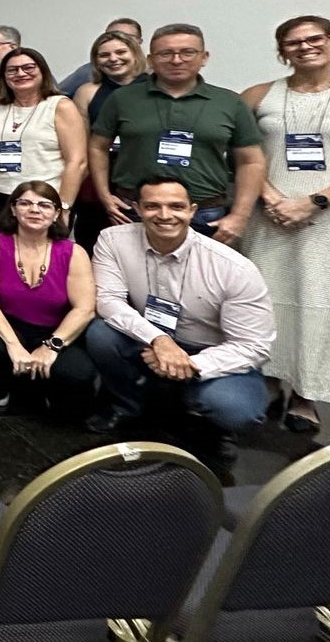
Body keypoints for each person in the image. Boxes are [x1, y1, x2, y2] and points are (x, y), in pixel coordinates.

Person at [84, 177, 273, 460]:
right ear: (137, 208)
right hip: (149, 340)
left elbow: (254, 346)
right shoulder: (113, 240)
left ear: (192, 210)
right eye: (152, 206)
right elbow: (108, 300)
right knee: (101, 335)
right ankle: (126, 406)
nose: (164, 215)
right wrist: (158, 339)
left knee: (234, 408)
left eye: (176, 206)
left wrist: (190, 364)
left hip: (212, 352)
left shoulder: (233, 268)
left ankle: (207, 420)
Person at [240, 15, 330, 426]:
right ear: (282, 52)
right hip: (269, 217)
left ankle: (305, 393)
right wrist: (272, 197)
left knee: (319, 306)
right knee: (264, 302)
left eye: (315, 39)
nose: (305, 47)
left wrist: (314, 202)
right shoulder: (259, 96)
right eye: (293, 42)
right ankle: (267, 380)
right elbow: (239, 154)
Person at [89, 23, 265, 244]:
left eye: (187, 52)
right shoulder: (122, 98)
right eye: (165, 53)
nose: (176, 60)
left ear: (204, 57)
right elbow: (97, 146)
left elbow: (251, 161)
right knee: (131, 267)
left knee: (202, 269)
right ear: (151, 59)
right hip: (134, 211)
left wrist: (240, 216)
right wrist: (105, 196)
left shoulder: (229, 102)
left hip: (205, 213)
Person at [0, 180, 98, 419]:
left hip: (54, 330)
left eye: (44, 205)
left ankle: (41, 391)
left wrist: (51, 346)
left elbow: (85, 309)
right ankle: (3, 389)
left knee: (77, 373)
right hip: (7, 327)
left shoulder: (74, 253)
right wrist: (13, 344)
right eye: (25, 203)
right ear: (13, 209)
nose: (34, 210)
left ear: (56, 213)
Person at [0, 48, 87, 231]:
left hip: (45, 200)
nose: (20, 73)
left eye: (28, 67)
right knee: (1, 249)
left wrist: (64, 208)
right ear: (3, 77)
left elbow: (77, 162)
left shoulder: (60, 106)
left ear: (43, 72)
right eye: (12, 70)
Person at [71, 30, 148, 251]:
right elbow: (81, 141)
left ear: (135, 54)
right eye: (104, 55)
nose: (113, 59)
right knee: (95, 242)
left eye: (121, 52)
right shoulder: (87, 92)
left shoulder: (154, 88)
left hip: (141, 175)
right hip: (98, 178)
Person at [58, 17, 143, 97]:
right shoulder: (87, 72)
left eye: (125, 36)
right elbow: (59, 94)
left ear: (139, 41)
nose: (113, 58)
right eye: (111, 35)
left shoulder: (149, 72)